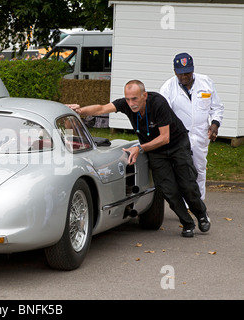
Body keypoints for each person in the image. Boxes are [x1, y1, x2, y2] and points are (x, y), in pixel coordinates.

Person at [69, 80, 210, 237]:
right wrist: (80, 111)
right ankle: (187, 223)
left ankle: (201, 215)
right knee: (168, 189)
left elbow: (165, 138)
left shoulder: (158, 103)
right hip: (155, 150)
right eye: (127, 99)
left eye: (134, 99)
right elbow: (102, 108)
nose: (131, 104)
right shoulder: (126, 104)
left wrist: (140, 148)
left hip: (176, 144)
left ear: (144, 95)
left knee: (187, 184)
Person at [160, 53, 224, 200]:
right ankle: (185, 203)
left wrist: (215, 124)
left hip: (200, 134)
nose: (184, 77)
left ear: (193, 69)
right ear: (175, 71)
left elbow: (217, 107)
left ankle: (198, 203)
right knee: (181, 169)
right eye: (181, 73)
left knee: (199, 169)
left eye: (188, 72)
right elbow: (163, 113)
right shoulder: (167, 87)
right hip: (178, 136)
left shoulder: (206, 82)